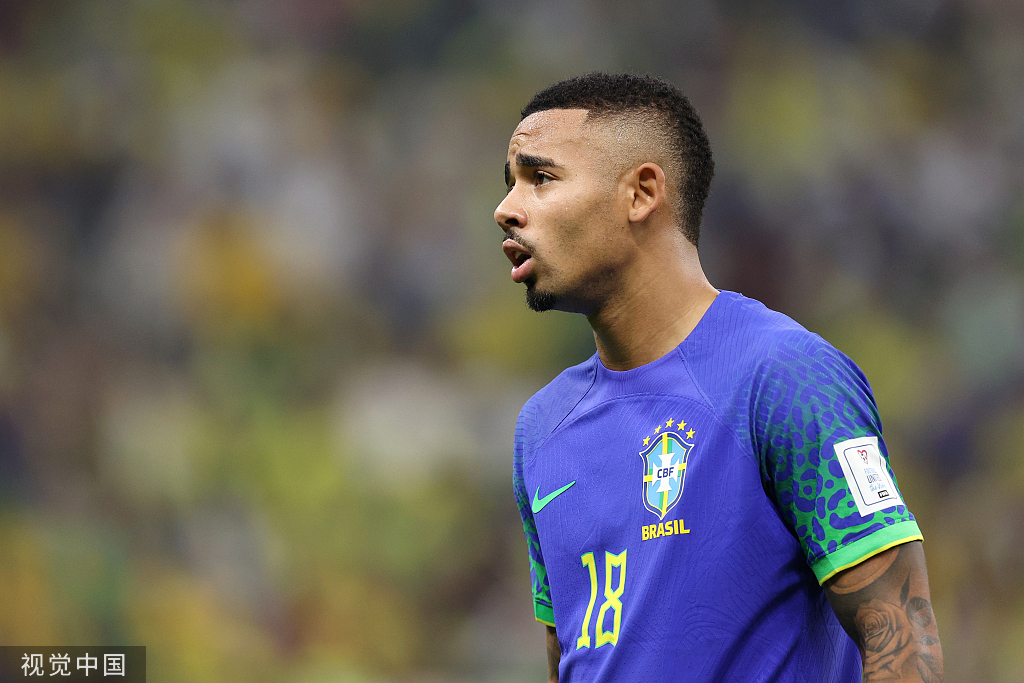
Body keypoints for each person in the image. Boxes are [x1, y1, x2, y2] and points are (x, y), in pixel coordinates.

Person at [495, 73, 943, 682]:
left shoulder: (784, 378)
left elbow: (902, 641)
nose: (506, 209)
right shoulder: (541, 429)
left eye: (541, 178)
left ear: (641, 193)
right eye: (510, 183)